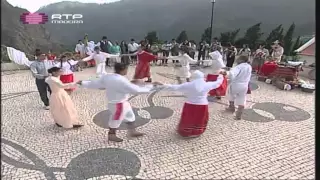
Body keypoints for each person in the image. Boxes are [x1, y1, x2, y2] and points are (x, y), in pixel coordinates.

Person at [77, 63, 156, 142]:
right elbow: (136, 90)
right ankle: (111, 135)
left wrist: (83, 82)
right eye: (126, 69)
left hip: (120, 103)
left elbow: (97, 80)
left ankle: (132, 131)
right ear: (123, 70)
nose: (127, 71)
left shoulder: (108, 76)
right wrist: (151, 87)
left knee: (130, 115)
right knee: (116, 119)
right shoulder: (121, 80)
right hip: (119, 104)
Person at [161, 70, 224, 138]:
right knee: (200, 118)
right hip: (202, 105)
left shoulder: (189, 85)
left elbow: (175, 87)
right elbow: (218, 83)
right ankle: (197, 131)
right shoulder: (207, 84)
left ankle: (186, 131)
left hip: (190, 104)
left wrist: (163, 85)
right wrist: (221, 75)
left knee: (189, 118)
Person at [224, 55, 252, 120]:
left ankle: (231, 107)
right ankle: (239, 114)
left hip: (236, 84)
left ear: (241, 60)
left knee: (230, 95)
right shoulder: (249, 66)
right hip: (245, 85)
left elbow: (232, 74)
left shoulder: (238, 67)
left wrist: (225, 73)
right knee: (242, 98)